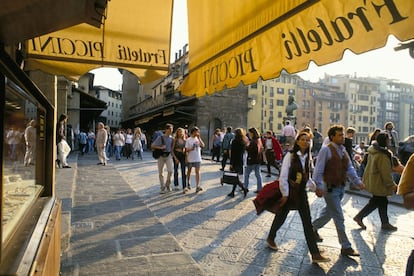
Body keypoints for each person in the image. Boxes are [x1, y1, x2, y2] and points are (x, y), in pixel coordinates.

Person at [266, 131, 329, 263]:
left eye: (307, 140)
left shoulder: (308, 156)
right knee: (281, 216)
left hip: (301, 193)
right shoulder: (290, 155)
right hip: (290, 192)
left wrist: (315, 188)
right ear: (297, 141)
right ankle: (271, 237)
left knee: (307, 222)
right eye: (303, 139)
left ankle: (315, 253)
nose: (305, 142)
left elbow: (307, 177)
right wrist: (285, 194)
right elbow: (283, 176)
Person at [312, 124, 364, 257]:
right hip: (330, 188)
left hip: (341, 187)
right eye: (340, 135)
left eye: (343, 134)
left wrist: (357, 181)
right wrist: (317, 186)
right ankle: (346, 246)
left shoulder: (343, 150)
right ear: (332, 136)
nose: (343, 137)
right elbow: (318, 169)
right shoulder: (326, 150)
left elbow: (350, 168)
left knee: (328, 213)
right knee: (339, 216)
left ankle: (311, 229)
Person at [353, 132, 399, 231]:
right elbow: (385, 172)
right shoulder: (383, 154)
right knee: (377, 201)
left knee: (380, 201)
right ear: (385, 141)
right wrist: (392, 185)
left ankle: (384, 223)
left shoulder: (373, 151)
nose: (389, 141)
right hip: (379, 182)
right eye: (388, 139)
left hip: (373, 180)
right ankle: (360, 217)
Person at [151, 123, 174, 194]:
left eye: (172, 129)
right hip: (161, 156)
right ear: (166, 129)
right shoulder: (160, 137)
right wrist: (161, 147)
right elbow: (152, 146)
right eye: (169, 129)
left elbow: (172, 148)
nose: (171, 130)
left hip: (168, 155)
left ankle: (168, 184)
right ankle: (162, 187)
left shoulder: (172, 138)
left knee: (170, 171)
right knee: (161, 172)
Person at [227, 128, 248, 198]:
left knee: (235, 177)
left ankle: (243, 188)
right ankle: (233, 192)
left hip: (235, 161)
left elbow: (233, 153)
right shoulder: (243, 141)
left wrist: (231, 163)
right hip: (240, 160)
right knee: (236, 177)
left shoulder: (234, 141)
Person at [185, 126, 205, 193]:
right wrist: (191, 149)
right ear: (193, 132)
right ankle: (188, 182)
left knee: (197, 172)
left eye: (198, 131)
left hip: (197, 158)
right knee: (189, 171)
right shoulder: (188, 139)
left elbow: (203, 145)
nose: (197, 133)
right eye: (196, 131)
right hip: (190, 158)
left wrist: (199, 138)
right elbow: (186, 149)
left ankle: (197, 186)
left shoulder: (198, 139)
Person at [244, 127, 263, 193]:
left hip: (252, 160)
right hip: (258, 160)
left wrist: (246, 146)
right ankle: (260, 188)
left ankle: (245, 187)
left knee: (246, 174)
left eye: (249, 133)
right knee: (258, 175)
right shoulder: (259, 140)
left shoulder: (253, 141)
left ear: (252, 133)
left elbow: (252, 150)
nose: (248, 134)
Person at [171, 127, 187, 192]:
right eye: (179, 131)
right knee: (176, 170)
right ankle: (176, 185)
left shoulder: (185, 140)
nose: (180, 133)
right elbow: (172, 150)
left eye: (181, 132)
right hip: (176, 154)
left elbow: (186, 150)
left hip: (182, 155)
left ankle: (184, 186)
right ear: (177, 132)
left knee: (183, 171)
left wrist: (186, 158)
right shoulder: (175, 139)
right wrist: (175, 158)